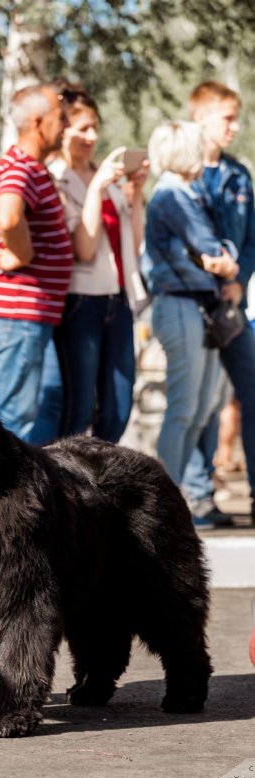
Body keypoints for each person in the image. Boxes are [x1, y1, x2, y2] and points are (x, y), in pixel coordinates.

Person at [43, 85, 148, 443]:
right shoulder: (55, 178)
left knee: (120, 403)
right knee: (81, 406)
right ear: (62, 130)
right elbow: (84, 249)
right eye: (83, 128)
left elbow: (133, 243)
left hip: (118, 300)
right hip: (81, 302)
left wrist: (135, 196)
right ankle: (70, 490)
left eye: (95, 127)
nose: (92, 136)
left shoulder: (106, 178)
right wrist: (97, 188)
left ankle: (103, 485)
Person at [142, 120, 238, 492]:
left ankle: (175, 494)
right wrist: (224, 260)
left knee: (199, 409)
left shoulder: (185, 194)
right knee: (184, 409)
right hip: (180, 304)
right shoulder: (172, 196)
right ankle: (166, 497)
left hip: (197, 308)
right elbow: (214, 252)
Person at [0, 84, 74, 441]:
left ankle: (40, 489)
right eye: (60, 117)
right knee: (16, 413)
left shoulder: (29, 166)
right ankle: (5, 496)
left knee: (45, 404)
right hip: (19, 312)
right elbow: (8, 217)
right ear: (37, 122)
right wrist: (21, 255)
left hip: (33, 314)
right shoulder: (20, 166)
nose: (64, 125)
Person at [182, 81, 255, 528]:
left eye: (236, 118)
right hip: (193, 304)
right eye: (227, 118)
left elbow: (250, 239)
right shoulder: (182, 175)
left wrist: (239, 280)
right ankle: (197, 496)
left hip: (232, 307)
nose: (235, 126)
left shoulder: (239, 175)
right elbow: (172, 240)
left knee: (250, 389)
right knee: (200, 401)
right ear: (201, 118)